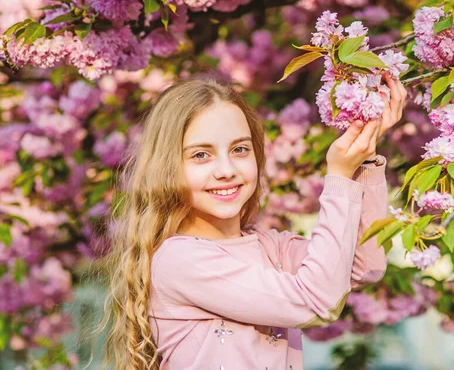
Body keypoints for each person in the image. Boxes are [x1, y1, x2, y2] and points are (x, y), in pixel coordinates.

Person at [102, 74, 407, 369]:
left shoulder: (270, 247)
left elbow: (365, 265)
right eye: (200, 155)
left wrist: (364, 159)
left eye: (239, 149)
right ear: (167, 167)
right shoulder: (181, 260)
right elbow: (319, 301)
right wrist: (338, 176)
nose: (226, 169)